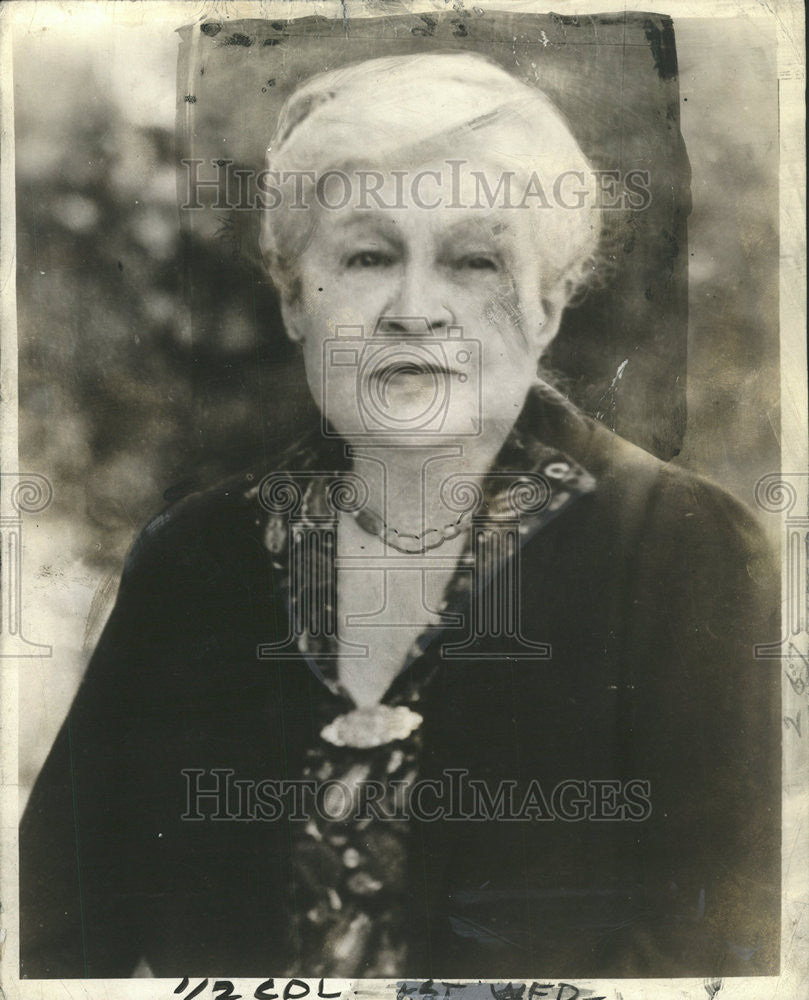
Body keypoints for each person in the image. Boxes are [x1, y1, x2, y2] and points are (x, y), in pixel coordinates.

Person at [20, 52, 780, 979]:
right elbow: (57, 926)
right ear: (296, 297)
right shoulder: (198, 557)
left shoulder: (680, 550)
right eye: (369, 256)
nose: (415, 310)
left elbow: (716, 957)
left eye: (473, 262)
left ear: (546, 306)